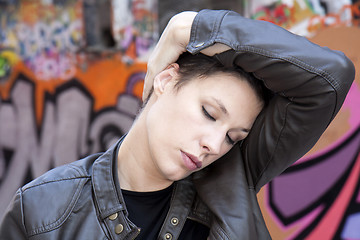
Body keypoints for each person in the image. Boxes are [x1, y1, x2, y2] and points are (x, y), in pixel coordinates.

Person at [0, 9, 355, 240]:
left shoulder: (234, 175)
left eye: (234, 137)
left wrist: (192, 27)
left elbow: (330, 78)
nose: (215, 146)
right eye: (210, 113)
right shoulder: (43, 211)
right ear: (167, 80)